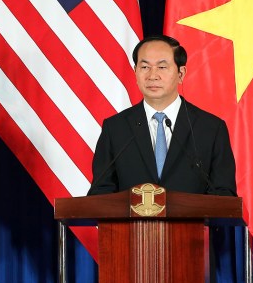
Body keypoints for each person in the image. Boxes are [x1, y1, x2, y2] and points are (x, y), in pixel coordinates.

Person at [88, 35, 236, 196]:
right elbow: (100, 193)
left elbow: (224, 195)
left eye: (162, 67)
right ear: (135, 72)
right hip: (131, 222)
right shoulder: (116, 128)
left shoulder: (210, 128)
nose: (152, 75)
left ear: (181, 73)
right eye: (145, 67)